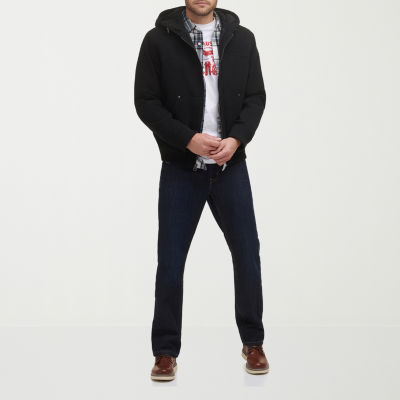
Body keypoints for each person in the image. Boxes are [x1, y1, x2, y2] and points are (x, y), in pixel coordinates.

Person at [134, 0, 269, 381]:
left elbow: (256, 97)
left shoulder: (243, 39)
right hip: (182, 168)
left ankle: (254, 342)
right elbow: (146, 102)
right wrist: (187, 139)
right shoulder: (157, 40)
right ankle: (164, 352)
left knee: (247, 255)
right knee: (171, 261)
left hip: (230, 167)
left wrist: (237, 139)